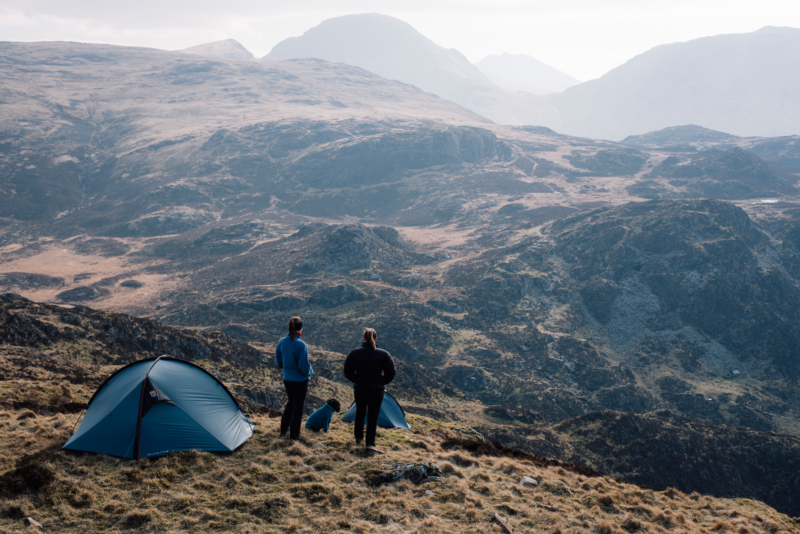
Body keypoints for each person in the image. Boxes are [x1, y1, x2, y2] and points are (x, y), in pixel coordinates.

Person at [343, 328, 396, 453]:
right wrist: (381, 382)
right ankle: (370, 444)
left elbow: (348, 371)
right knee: (373, 416)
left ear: (364, 338)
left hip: (360, 388)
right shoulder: (384, 354)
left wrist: (357, 380)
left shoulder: (354, 353)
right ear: (376, 339)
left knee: (360, 413)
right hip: (376, 390)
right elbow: (391, 372)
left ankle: (358, 439)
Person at [275, 316, 312, 440]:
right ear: (301, 329)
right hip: (300, 380)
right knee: (298, 407)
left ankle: (283, 430)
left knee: (290, 403)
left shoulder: (282, 341)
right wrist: (309, 372)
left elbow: (278, 360)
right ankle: (294, 436)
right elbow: (304, 366)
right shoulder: (301, 345)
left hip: (287, 379)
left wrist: (285, 366)